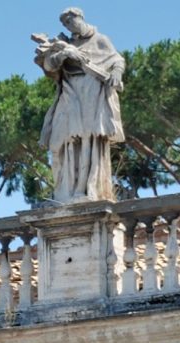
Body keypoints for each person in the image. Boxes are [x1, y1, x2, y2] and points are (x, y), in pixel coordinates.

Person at [33, 9, 126, 204]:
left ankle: (86, 189)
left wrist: (117, 72)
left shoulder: (100, 39)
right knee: (60, 140)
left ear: (80, 17)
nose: (68, 25)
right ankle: (65, 190)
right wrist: (64, 53)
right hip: (69, 93)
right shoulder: (66, 43)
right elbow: (50, 66)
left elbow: (117, 59)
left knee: (88, 138)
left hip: (92, 91)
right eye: (65, 23)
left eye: (70, 20)